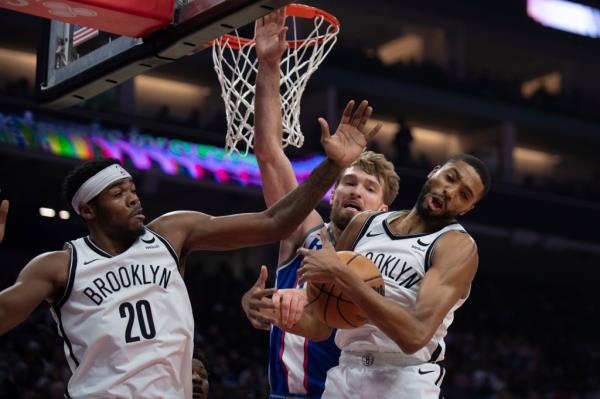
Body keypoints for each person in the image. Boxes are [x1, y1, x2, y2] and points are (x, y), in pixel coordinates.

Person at [0, 92, 381, 397]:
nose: (134, 199)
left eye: (133, 189)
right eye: (118, 194)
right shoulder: (59, 266)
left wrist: (332, 167)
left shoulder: (171, 232)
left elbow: (274, 221)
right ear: (87, 209)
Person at [240, 9, 400, 399]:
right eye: (347, 182)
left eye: (368, 187)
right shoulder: (302, 229)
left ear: (382, 208)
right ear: (332, 193)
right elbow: (269, 153)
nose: (355, 190)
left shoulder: (388, 259)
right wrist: (269, 67)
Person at [279, 154, 491, 399]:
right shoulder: (364, 224)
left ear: (467, 208)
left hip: (405, 380)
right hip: (346, 374)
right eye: (450, 178)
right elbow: (321, 324)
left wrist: (343, 275)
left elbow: (415, 336)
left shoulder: (456, 245)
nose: (450, 191)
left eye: (464, 195)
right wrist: (276, 312)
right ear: (434, 171)